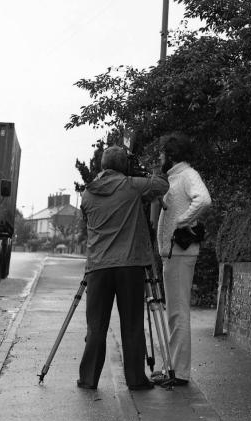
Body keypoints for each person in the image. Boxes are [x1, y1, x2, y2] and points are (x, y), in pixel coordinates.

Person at [77, 146, 169, 391]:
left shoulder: (87, 193)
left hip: (97, 267)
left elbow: (87, 220)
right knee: (132, 324)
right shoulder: (131, 185)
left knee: (96, 326)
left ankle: (88, 379)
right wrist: (148, 170)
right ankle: (136, 379)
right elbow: (161, 185)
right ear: (124, 166)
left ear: (102, 166)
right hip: (129, 266)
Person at [156, 132, 212, 386]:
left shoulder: (188, 175)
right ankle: (173, 368)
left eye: (162, 153)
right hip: (173, 252)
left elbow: (204, 200)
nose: (159, 157)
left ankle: (179, 373)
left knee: (178, 313)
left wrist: (181, 221)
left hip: (181, 251)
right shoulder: (176, 177)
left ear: (172, 155)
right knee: (174, 313)